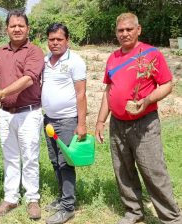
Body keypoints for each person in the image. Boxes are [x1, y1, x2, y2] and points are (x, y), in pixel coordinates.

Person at [95, 12, 182, 224]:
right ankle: (134, 212)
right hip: (117, 124)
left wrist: (148, 99)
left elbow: (167, 84)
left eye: (128, 29)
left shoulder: (151, 54)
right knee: (123, 170)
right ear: (116, 33)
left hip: (144, 123)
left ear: (138, 29)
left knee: (153, 170)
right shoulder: (113, 57)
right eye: (120, 30)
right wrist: (100, 121)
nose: (124, 34)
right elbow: (109, 90)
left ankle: (171, 217)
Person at [0, 9, 44, 220]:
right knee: (10, 157)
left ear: (28, 28)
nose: (17, 29)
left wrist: (1, 92)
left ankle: (32, 199)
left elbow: (29, 79)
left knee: (30, 157)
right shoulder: (0, 52)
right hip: (5, 113)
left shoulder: (34, 51)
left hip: (29, 113)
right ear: (7, 29)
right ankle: (11, 198)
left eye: (21, 25)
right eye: (13, 26)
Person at [41, 23, 87, 224]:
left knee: (65, 163)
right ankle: (62, 198)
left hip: (67, 121)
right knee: (54, 161)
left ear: (67, 40)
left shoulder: (75, 61)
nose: (55, 43)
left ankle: (68, 207)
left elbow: (81, 94)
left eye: (59, 39)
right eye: (51, 39)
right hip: (48, 120)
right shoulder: (45, 61)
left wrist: (82, 123)